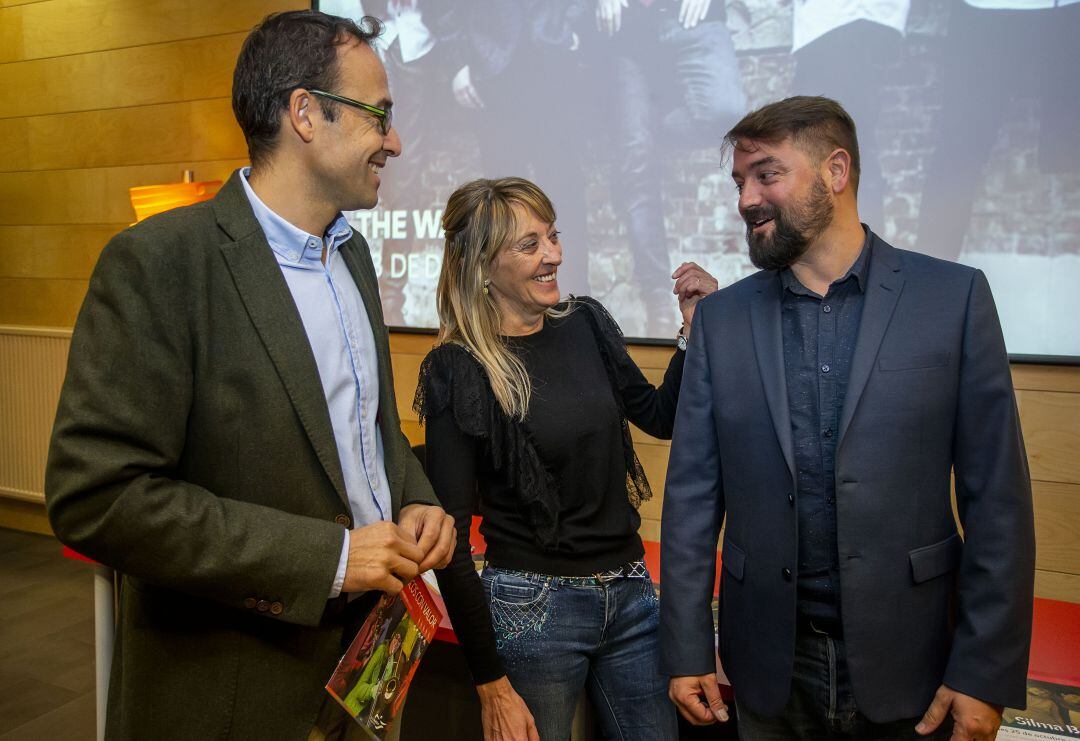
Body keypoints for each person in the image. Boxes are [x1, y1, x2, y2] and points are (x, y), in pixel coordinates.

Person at [44, 10, 455, 740]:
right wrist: (328, 558)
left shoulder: (354, 256)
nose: (394, 141)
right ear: (305, 113)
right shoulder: (162, 263)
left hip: (361, 682)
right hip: (234, 691)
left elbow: (367, 428)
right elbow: (98, 496)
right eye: (377, 115)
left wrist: (415, 498)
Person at [659, 96, 1035, 740]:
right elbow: (692, 497)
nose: (746, 198)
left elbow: (997, 501)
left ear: (836, 171)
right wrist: (687, 646)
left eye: (767, 175)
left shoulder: (952, 297)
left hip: (915, 663)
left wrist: (983, 670)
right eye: (739, 182)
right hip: (768, 669)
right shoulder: (721, 322)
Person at [413, 176, 717, 740]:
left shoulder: (585, 321)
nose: (553, 254)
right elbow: (449, 539)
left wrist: (692, 333)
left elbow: (660, 416)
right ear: (483, 265)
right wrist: (490, 682)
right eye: (530, 244)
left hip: (631, 594)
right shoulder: (459, 368)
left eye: (552, 236)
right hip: (533, 610)